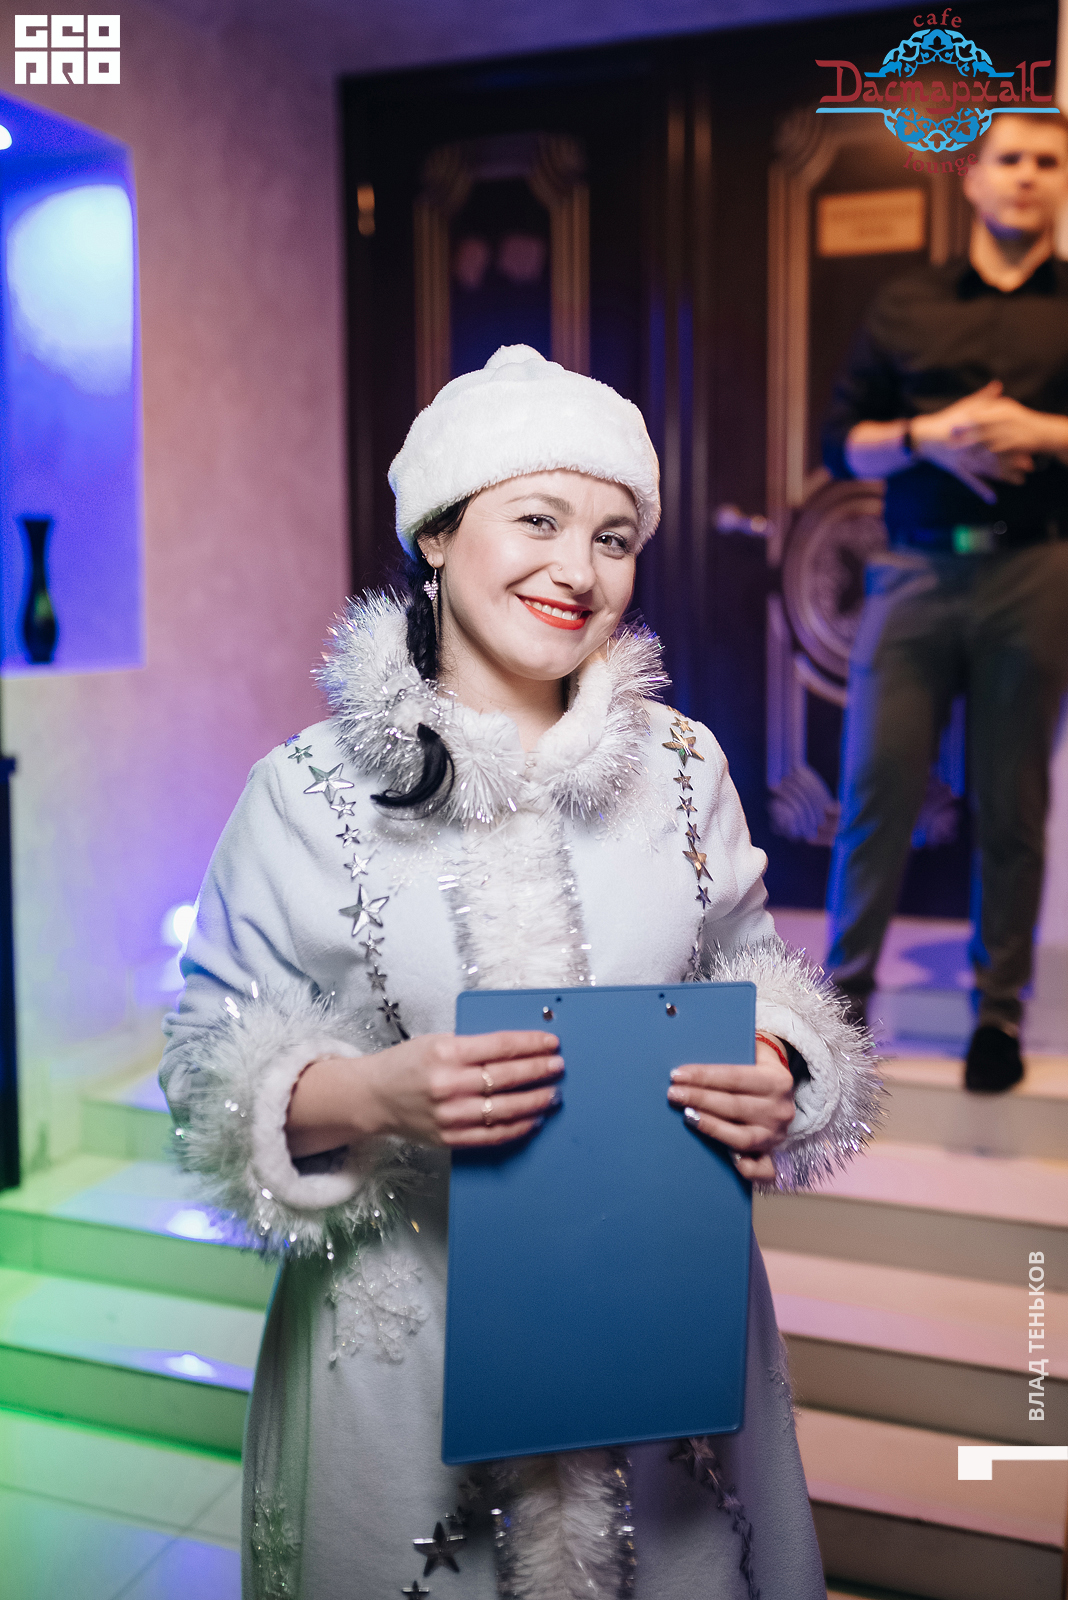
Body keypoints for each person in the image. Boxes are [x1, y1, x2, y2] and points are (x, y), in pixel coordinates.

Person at [161, 345, 879, 1600]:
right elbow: (202, 1069)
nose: (578, 570)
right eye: (538, 521)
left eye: (614, 537)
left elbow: (758, 973)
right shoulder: (306, 792)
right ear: (438, 534)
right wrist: (375, 1094)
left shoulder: (683, 766)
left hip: (663, 1325)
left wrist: (777, 1061)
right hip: (404, 1347)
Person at [822, 112, 1068, 1094]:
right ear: (974, 176)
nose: (1027, 176)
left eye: (1048, 162)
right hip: (914, 571)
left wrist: (1037, 431)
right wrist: (934, 436)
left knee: (1014, 803)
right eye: (1010, 158)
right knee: (875, 791)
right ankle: (843, 997)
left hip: (1035, 571)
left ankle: (997, 1012)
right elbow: (844, 443)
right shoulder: (907, 302)